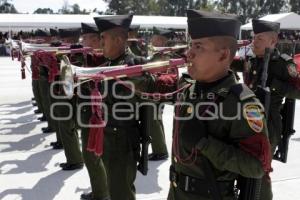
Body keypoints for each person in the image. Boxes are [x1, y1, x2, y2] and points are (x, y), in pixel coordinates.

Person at [158, 10, 272, 200]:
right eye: (190, 45)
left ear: (223, 55)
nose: (189, 53)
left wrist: (205, 143)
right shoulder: (188, 87)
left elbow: (257, 166)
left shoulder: (241, 104)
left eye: (198, 47)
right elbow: (154, 90)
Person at [231, 19, 299, 200]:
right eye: (254, 37)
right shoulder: (250, 60)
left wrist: (275, 85)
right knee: (242, 167)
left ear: (273, 41)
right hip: (246, 120)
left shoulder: (283, 64)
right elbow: (227, 63)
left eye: (260, 38)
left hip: (269, 123)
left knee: (259, 170)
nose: (255, 40)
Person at [86, 14, 147, 200]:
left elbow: (131, 103)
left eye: (103, 38)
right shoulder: (111, 64)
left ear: (119, 39)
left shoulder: (133, 65)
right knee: (113, 189)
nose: (100, 42)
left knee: (121, 192)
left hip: (122, 139)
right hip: (109, 136)